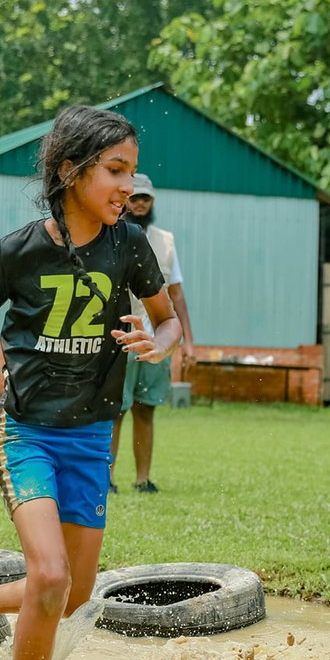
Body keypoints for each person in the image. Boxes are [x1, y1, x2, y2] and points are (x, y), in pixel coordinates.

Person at [0, 105, 181, 660]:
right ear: (70, 171)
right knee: (51, 575)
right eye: (115, 170)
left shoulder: (131, 244)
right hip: (27, 431)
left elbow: (168, 321)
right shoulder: (18, 250)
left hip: (91, 434)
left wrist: (159, 343)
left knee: (72, 592)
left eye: (132, 171)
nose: (128, 185)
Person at [109, 173, 195, 493]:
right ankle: (108, 478)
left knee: (146, 407)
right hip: (121, 335)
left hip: (158, 334)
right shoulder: (110, 235)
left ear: (153, 201)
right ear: (126, 199)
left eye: (146, 198)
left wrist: (187, 341)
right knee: (115, 408)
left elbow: (177, 295)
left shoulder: (165, 241)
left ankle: (142, 480)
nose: (140, 203)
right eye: (135, 197)